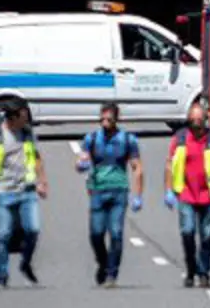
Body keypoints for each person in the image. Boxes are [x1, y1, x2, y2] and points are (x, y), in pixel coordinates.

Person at [163, 102, 210, 289]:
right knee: (187, 231)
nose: (196, 126)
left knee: (207, 236)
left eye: (199, 122)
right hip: (186, 194)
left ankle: (204, 272)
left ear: (205, 121)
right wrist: (168, 189)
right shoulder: (180, 138)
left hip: (209, 195)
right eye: (192, 122)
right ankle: (191, 268)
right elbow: (169, 165)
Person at [0, 100, 48, 289]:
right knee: (3, 235)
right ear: (13, 117)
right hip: (4, 192)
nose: (26, 120)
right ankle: (1, 276)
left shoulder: (26, 132)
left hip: (27, 190)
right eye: (23, 116)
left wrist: (42, 181)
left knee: (33, 229)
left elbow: (36, 157)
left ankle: (25, 263)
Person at [76, 102, 143, 288]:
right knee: (96, 233)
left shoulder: (127, 139)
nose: (105, 123)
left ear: (116, 119)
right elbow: (80, 161)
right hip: (97, 190)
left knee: (116, 233)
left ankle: (112, 274)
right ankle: (103, 262)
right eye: (102, 119)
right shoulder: (91, 139)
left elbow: (137, 167)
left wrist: (138, 195)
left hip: (119, 191)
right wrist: (81, 165)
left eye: (109, 119)